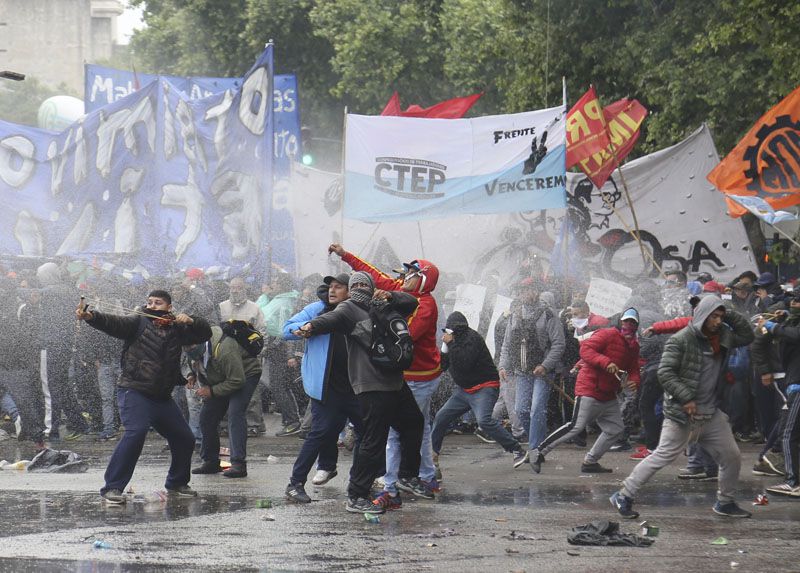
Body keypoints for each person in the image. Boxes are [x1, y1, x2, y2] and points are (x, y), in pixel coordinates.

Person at [610, 296, 755, 519]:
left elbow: (747, 335)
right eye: (713, 316)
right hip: (682, 414)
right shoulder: (681, 340)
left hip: (710, 414)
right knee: (662, 456)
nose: (717, 321)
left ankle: (725, 502)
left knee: (731, 456)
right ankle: (624, 495)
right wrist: (686, 398)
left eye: (720, 317)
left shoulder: (722, 336)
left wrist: (726, 311)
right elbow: (665, 373)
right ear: (702, 316)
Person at [297, 272, 423, 514]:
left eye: (365, 284)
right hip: (370, 384)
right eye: (356, 285)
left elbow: (411, 303)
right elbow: (331, 319)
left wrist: (391, 295)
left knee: (413, 423)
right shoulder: (349, 309)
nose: (361, 288)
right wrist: (310, 326)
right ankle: (356, 495)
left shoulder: (383, 305)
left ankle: (407, 476)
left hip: (395, 381)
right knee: (373, 440)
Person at [77, 289, 212, 504]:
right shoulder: (138, 322)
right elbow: (114, 323)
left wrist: (192, 320)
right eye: (149, 302)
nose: (152, 306)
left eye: (158, 303)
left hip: (161, 396)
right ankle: (112, 488)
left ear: (169, 307)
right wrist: (92, 317)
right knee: (136, 432)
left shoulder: (178, 327)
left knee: (184, 438)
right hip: (135, 391)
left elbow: (205, 333)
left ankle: (177, 483)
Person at [329, 244, 441, 498]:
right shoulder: (399, 291)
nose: (403, 277)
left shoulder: (424, 305)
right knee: (414, 428)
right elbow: (374, 276)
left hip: (418, 377)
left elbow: (401, 338)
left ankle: (392, 483)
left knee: (402, 431)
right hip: (402, 376)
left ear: (422, 279)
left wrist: (378, 316)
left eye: (410, 274)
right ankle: (419, 475)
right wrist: (345, 255)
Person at [283, 273, 365, 504]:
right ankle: (295, 484)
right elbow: (286, 329)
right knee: (319, 434)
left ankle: (361, 482)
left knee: (367, 434)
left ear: (350, 291)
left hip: (358, 386)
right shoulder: (317, 309)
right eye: (331, 287)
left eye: (339, 287)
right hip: (326, 388)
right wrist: (303, 328)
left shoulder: (358, 310)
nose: (332, 291)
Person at [530, 308, 640, 474]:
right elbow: (585, 350)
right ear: (620, 322)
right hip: (590, 387)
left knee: (615, 429)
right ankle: (538, 452)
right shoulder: (607, 334)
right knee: (576, 426)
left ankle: (590, 461)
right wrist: (605, 362)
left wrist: (634, 380)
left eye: (632, 323)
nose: (628, 326)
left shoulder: (633, 346)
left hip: (608, 394)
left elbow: (633, 368)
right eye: (626, 322)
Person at [429, 311, 527, 486]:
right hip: (464, 391)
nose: (450, 334)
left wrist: (450, 345)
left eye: (453, 331)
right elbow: (443, 366)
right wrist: (444, 348)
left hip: (484, 387)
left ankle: (517, 449)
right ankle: (433, 456)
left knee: (484, 421)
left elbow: (464, 363)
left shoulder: (472, 339)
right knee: (441, 417)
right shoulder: (452, 342)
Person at [498, 277, 565, 460]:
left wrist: (545, 365)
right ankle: (538, 443)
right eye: (521, 291)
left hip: (543, 372)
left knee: (537, 409)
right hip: (522, 371)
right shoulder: (514, 314)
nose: (524, 294)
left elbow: (559, 344)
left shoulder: (549, 314)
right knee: (521, 410)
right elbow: (506, 344)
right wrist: (503, 365)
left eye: (528, 290)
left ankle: (535, 450)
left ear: (536, 291)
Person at [753, 293, 800, 495]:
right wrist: (783, 318)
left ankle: (793, 482)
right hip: (792, 382)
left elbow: (796, 335)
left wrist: (773, 326)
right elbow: (759, 342)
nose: (794, 304)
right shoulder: (788, 322)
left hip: (797, 385)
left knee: (788, 434)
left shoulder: (788, 329)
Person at [219, 277, 266, 437]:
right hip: (226, 357)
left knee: (252, 392)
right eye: (232, 287)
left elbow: (261, 331)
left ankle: (254, 424)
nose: (234, 290)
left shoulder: (254, 308)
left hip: (248, 356)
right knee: (226, 388)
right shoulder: (221, 307)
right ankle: (225, 424)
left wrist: (258, 351)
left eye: (238, 287)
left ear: (244, 288)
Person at [262, 273, 304, 437]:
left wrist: (289, 355)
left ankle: (292, 422)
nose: (273, 284)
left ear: (283, 285)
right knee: (281, 386)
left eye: (276, 281)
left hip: (280, 349)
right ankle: (291, 421)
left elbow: (286, 329)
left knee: (279, 387)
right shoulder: (282, 299)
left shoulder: (284, 302)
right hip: (278, 348)